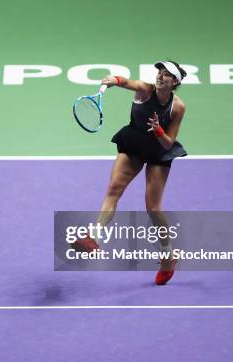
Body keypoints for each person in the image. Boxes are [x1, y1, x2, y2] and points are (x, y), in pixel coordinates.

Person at [74, 61, 188, 285]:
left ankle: (168, 255)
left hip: (157, 151)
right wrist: (114, 81)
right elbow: (127, 82)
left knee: (153, 209)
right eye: (159, 73)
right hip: (134, 143)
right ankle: (93, 237)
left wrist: (158, 131)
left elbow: (168, 143)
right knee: (113, 190)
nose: (160, 77)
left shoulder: (178, 107)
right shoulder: (145, 89)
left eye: (166, 75)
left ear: (174, 82)